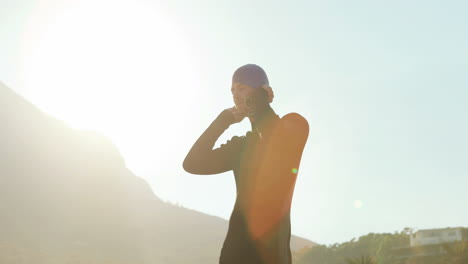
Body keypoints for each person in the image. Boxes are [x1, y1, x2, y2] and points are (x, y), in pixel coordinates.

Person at [183, 64, 309, 264]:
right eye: (232, 90)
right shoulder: (241, 148)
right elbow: (193, 163)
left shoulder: (294, 125)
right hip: (234, 254)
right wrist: (223, 120)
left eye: (241, 87)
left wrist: (258, 101)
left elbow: (273, 139)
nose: (235, 95)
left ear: (263, 91)